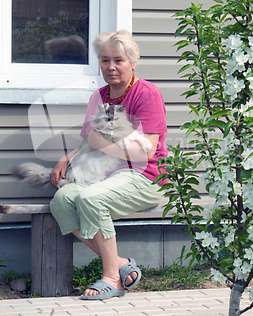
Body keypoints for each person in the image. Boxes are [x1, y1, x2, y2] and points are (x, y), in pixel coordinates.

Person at [49, 30, 168, 300]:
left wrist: (102, 144)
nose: (111, 67)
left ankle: (112, 278)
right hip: (104, 176)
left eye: (118, 60)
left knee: (91, 199)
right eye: (105, 60)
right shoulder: (99, 96)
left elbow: (144, 154)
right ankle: (120, 263)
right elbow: (88, 143)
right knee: (61, 200)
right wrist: (67, 158)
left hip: (145, 177)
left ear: (132, 62)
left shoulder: (146, 93)